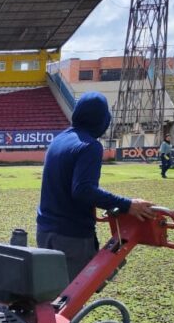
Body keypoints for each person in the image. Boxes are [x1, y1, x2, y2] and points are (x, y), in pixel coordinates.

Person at [36, 92, 155, 279]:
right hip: (71, 236)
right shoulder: (90, 146)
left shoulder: (59, 140)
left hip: (45, 230)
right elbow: (83, 190)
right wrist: (128, 205)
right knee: (69, 299)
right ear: (101, 119)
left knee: (51, 292)